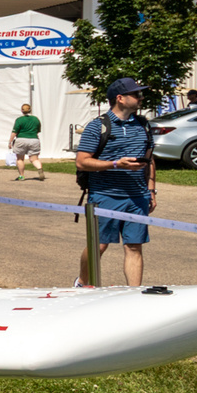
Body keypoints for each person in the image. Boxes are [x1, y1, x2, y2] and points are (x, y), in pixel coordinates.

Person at [75, 77, 156, 288]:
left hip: (137, 197)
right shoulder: (98, 126)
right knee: (99, 246)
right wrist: (115, 164)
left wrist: (151, 190)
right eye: (136, 94)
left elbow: (149, 160)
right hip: (105, 195)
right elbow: (82, 162)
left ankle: (134, 293)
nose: (141, 97)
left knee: (134, 246)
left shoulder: (144, 125)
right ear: (120, 98)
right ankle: (82, 283)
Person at [9, 103, 44, 181]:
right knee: (34, 159)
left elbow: (14, 132)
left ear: (22, 110)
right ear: (30, 110)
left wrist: (10, 142)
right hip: (34, 139)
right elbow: (38, 130)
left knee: (20, 159)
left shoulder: (19, 120)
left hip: (21, 139)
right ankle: (39, 169)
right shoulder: (36, 119)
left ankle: (21, 176)